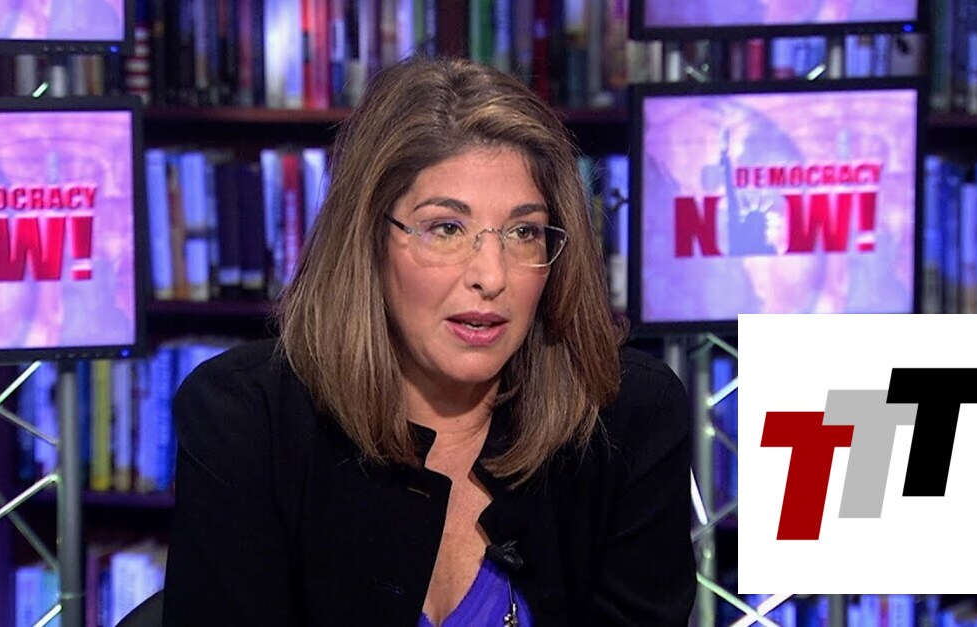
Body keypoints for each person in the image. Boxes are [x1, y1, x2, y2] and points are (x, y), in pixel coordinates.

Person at [162, 56, 695, 626]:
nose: (491, 276)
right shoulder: (244, 419)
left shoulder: (626, 418)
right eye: (447, 228)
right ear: (369, 239)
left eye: (523, 232)